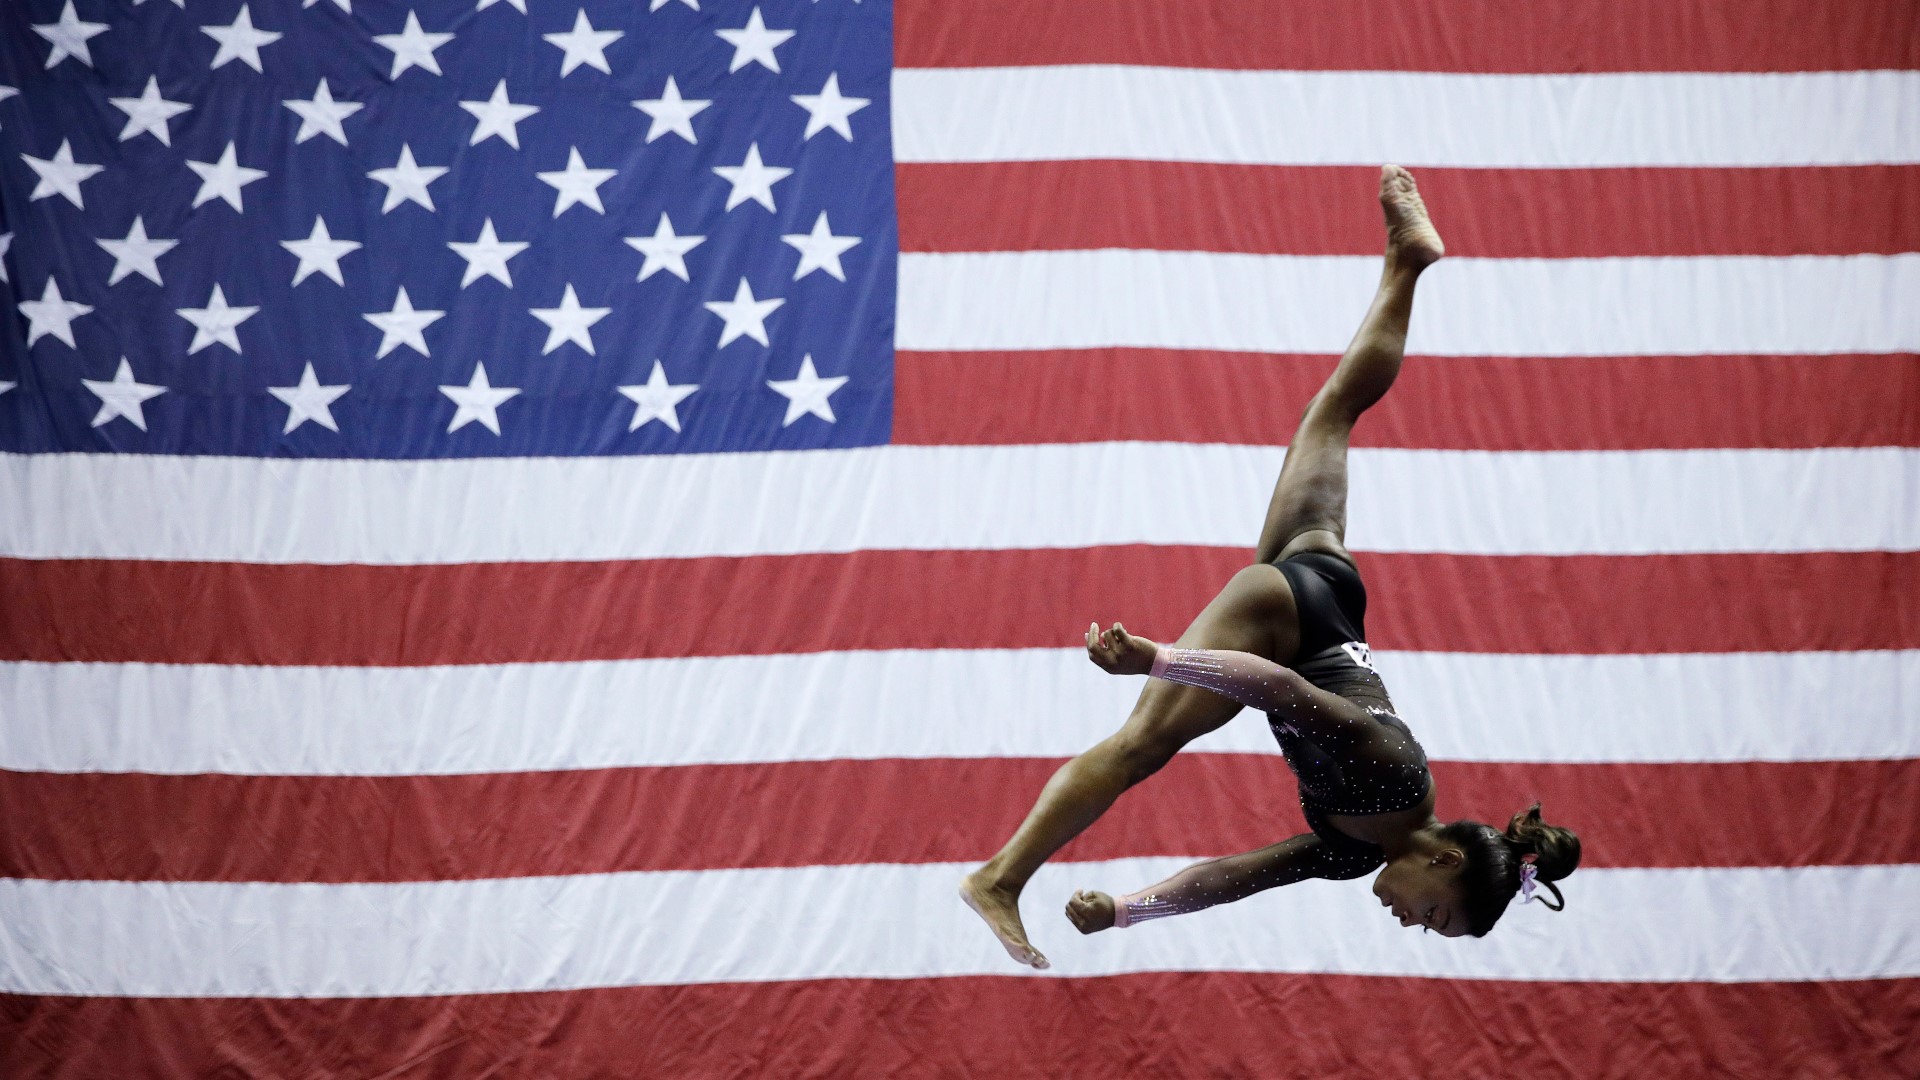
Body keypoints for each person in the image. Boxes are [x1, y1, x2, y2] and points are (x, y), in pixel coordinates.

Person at [959, 166, 1580, 968]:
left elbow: (1238, 878)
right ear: (1445, 861)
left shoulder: (1359, 848)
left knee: (1332, 413)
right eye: (1437, 916)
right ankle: (1002, 879)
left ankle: (1406, 263)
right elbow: (1282, 690)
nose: (1414, 924)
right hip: (1287, 623)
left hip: (1327, 594)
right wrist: (1155, 657)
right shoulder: (1393, 780)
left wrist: (1126, 913)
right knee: (1141, 745)